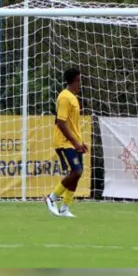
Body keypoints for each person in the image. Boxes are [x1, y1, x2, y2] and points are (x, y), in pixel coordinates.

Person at [44, 68, 88, 218]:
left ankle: (64, 208)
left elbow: (71, 124)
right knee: (75, 171)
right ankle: (51, 198)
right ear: (75, 80)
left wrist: (81, 142)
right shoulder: (64, 97)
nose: (80, 84)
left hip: (74, 142)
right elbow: (61, 123)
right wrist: (75, 142)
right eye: (79, 80)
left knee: (78, 173)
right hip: (65, 142)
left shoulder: (73, 98)